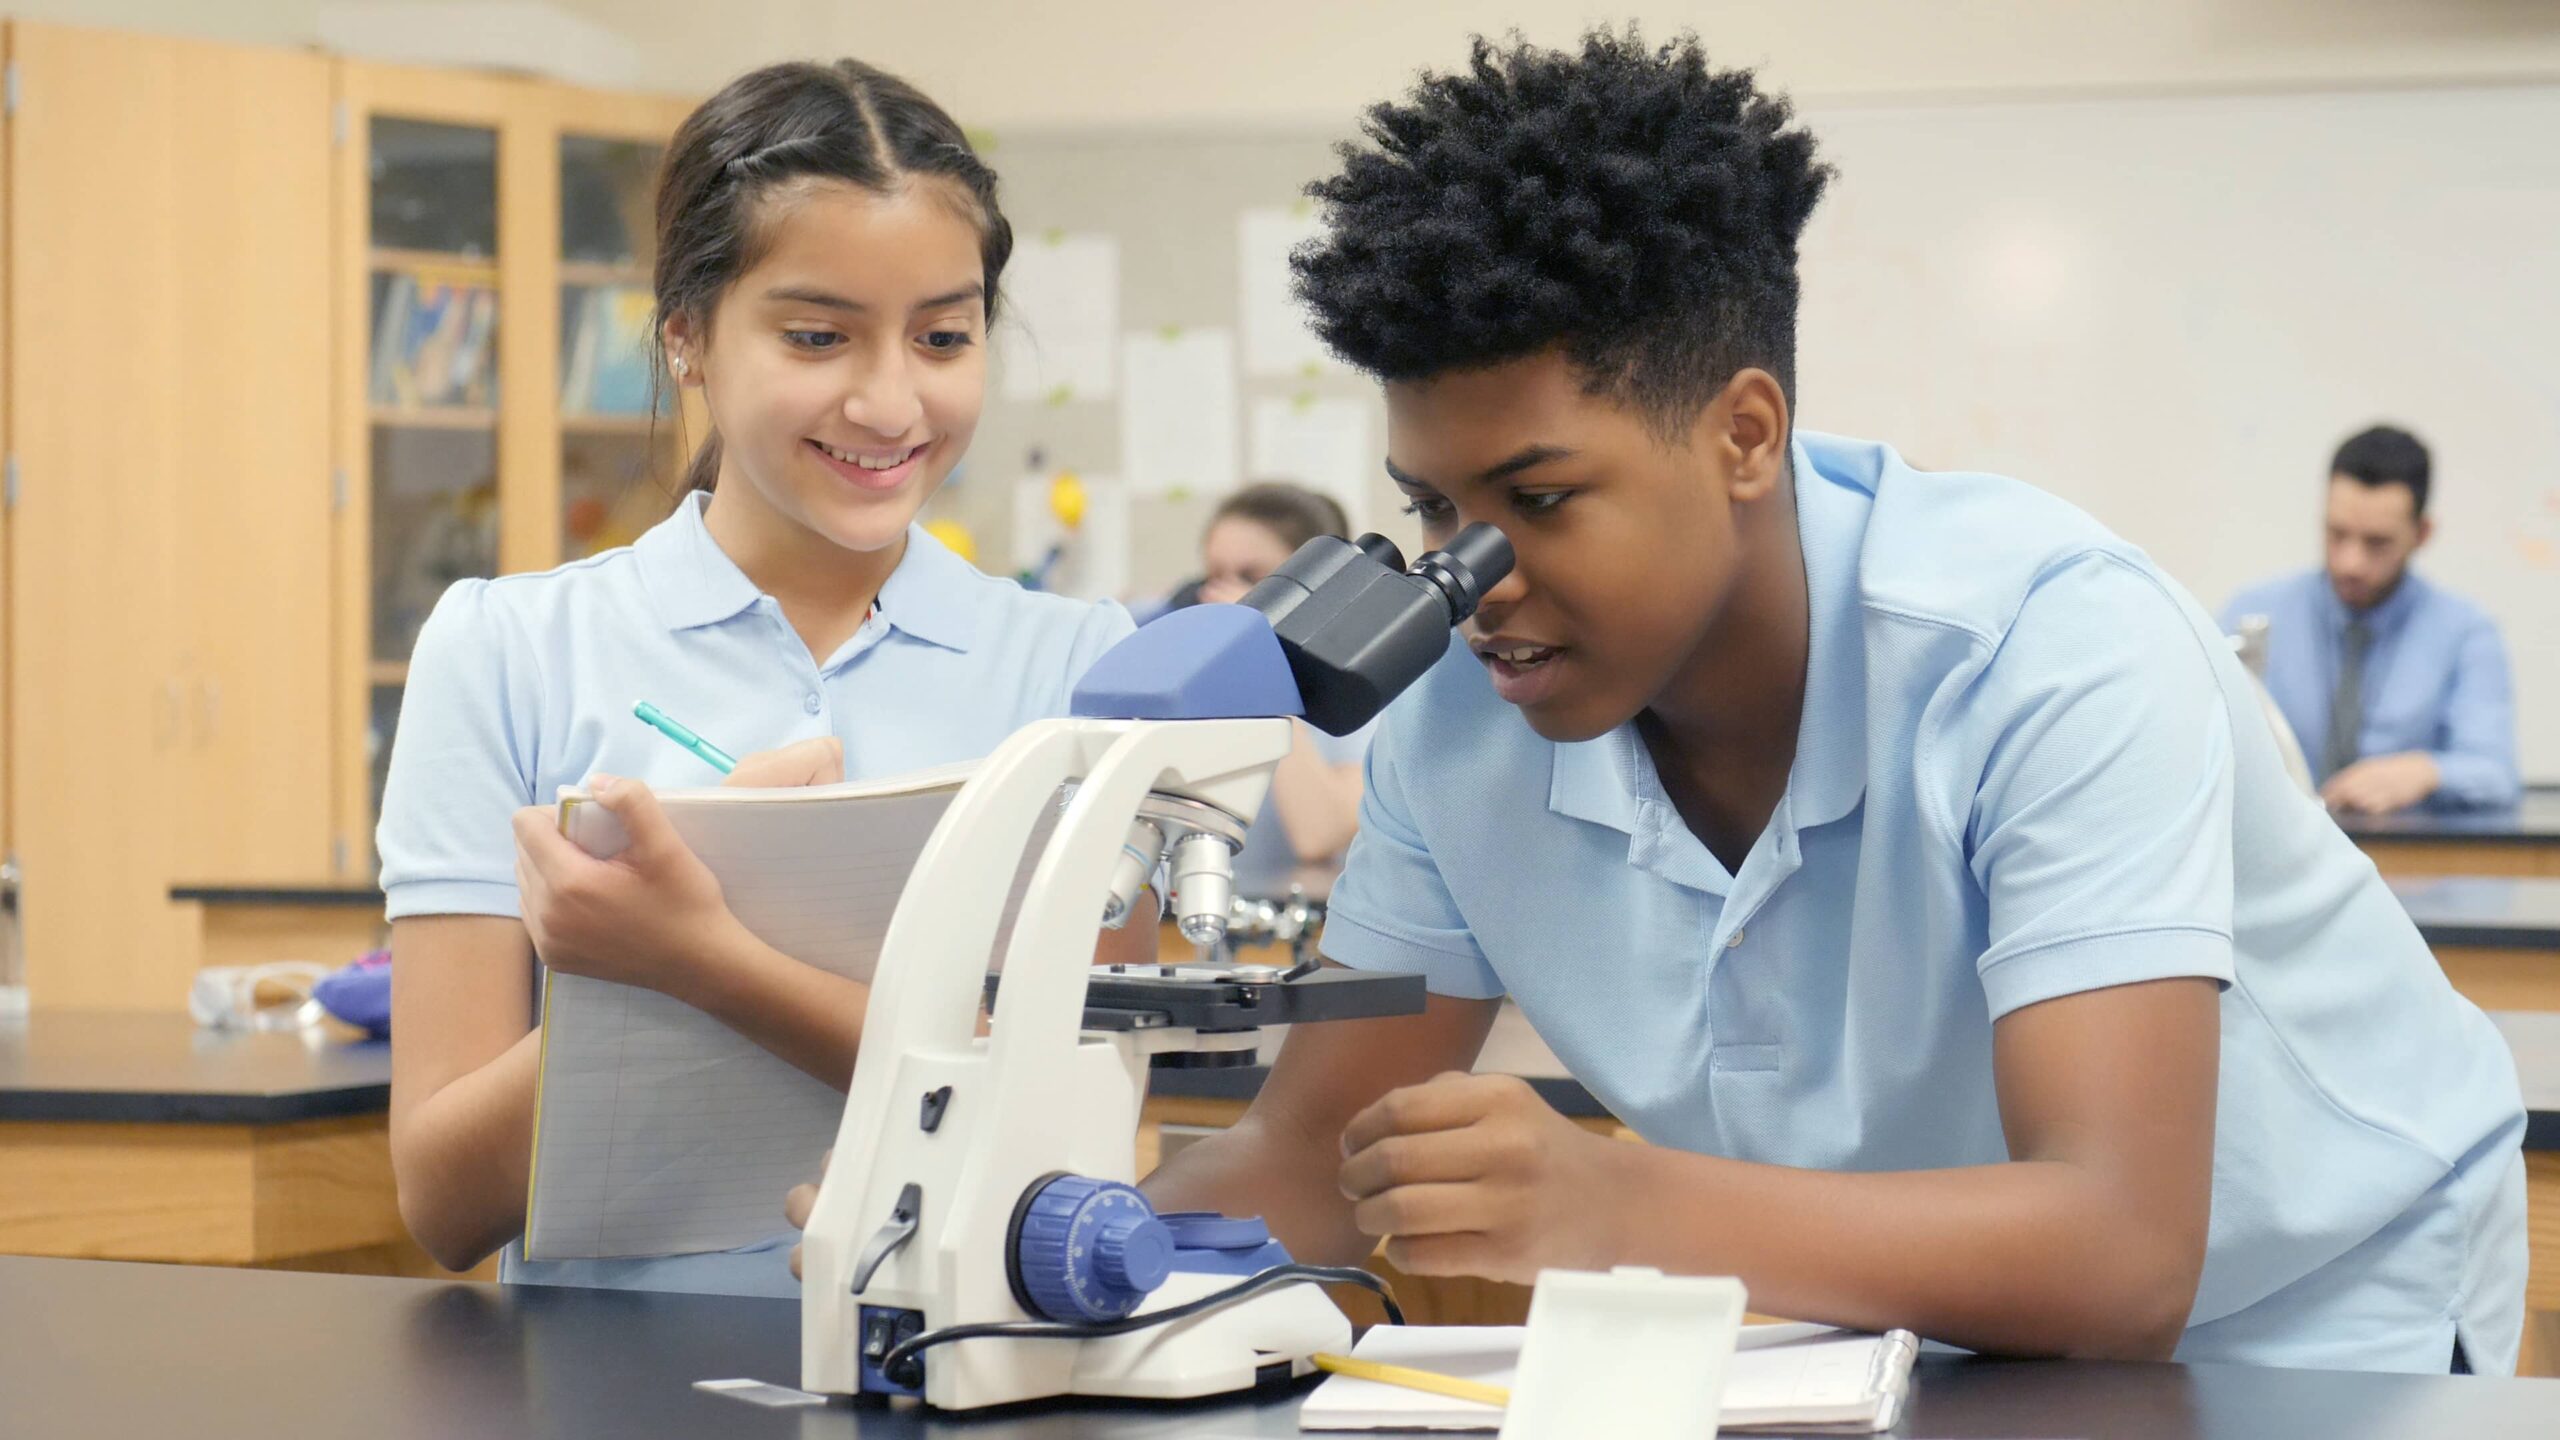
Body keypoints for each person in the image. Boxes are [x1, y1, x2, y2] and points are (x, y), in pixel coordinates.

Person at [1135, 31, 2525, 1373]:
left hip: (2314, 1294)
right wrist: (1020, 1240)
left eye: (1540, 500)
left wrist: (1616, 1209)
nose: (1474, 576)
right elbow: (1313, 1155)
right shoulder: (1460, 719)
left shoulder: (2046, 650)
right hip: (1928, 1300)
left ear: (1745, 434)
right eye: (1433, 506)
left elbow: (2119, 1251)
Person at [380, 58, 1148, 1298]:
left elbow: (1089, 1139)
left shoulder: (1082, 669)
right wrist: (628, 972)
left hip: (968, 1378)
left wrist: (697, 960)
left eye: (943, 336)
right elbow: (440, 1201)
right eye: (816, 335)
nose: (891, 399)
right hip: (600, 1391)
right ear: (686, 334)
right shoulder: (506, 650)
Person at [2221, 425, 2520, 814]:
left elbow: (2495, 772)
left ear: (2422, 533)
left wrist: (2425, 771)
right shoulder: (2253, 614)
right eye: (2337, 534)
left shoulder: (2465, 633)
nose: (2351, 562)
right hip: (2277, 860)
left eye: (2377, 542)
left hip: (2411, 866)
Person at [1159, 483, 1372, 899]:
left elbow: (1318, 835)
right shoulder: (1203, 687)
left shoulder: (1363, 696)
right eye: (1214, 577)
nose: (1224, 598)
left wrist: (1263, 661)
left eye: (1252, 579)